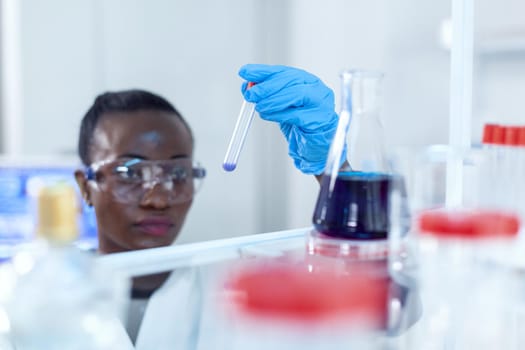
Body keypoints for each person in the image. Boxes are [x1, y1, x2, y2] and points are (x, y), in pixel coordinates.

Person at [73, 63, 342, 346]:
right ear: (85, 186)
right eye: (130, 173)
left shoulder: (234, 290)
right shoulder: (35, 299)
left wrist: (333, 169)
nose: (159, 199)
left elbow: (354, 298)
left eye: (178, 173)